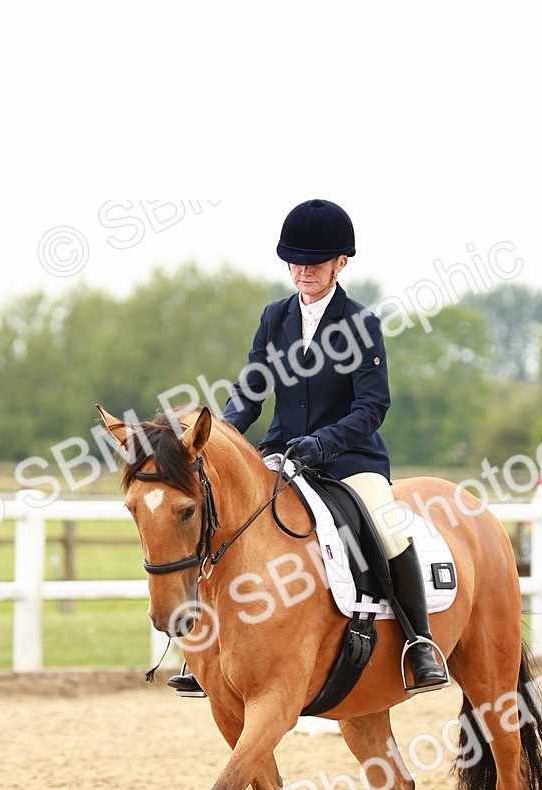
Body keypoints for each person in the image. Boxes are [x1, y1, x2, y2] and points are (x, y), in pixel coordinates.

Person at [169, 198, 448, 695]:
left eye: (314, 263)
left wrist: (321, 444)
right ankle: (207, 650)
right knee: (224, 521)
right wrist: (218, 439)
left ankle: (419, 641)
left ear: (341, 262)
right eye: (295, 262)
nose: (303, 272)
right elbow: (250, 393)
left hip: (348, 459)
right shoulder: (275, 318)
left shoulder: (361, 324)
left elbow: (371, 407)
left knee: (386, 525)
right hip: (282, 453)